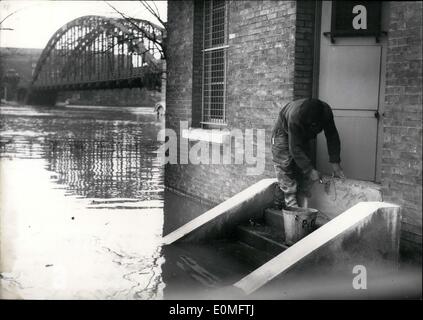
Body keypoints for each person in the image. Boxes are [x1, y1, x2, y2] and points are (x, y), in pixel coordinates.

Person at [271, 98, 345, 208]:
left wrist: (336, 164)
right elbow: (294, 148)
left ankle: (300, 197)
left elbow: (332, 136)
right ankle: (291, 203)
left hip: (302, 133)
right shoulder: (295, 117)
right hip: (283, 130)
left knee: (303, 162)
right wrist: (310, 170)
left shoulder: (326, 112)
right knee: (284, 163)